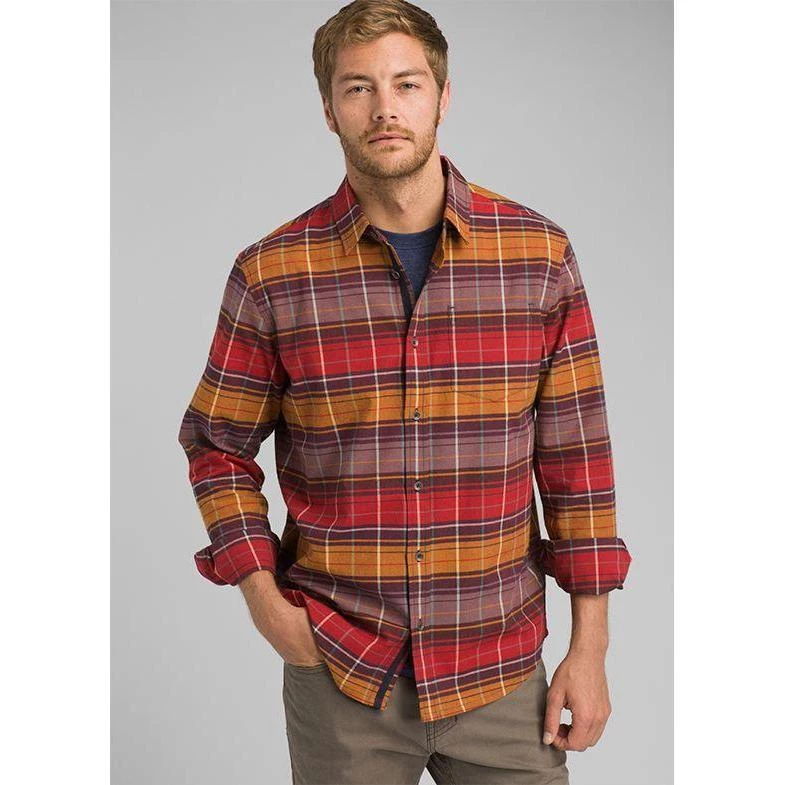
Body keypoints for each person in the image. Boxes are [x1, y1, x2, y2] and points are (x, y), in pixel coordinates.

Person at [177, 1, 632, 782]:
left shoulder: (536, 257)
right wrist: (263, 598)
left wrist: (588, 649)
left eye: (406, 84)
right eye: (358, 87)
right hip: (341, 669)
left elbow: (576, 463)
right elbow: (216, 446)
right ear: (329, 109)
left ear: (442, 97)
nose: (384, 107)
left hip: (500, 671)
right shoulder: (273, 273)